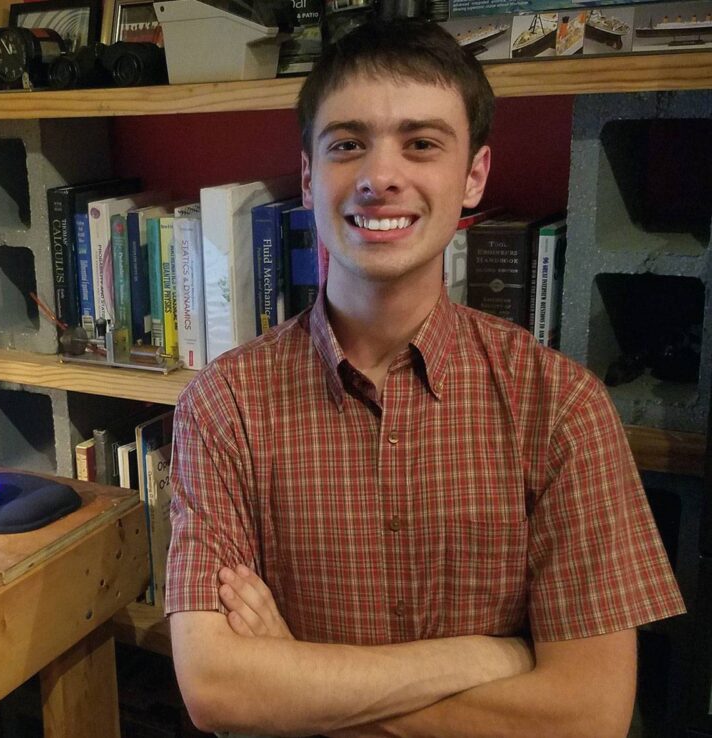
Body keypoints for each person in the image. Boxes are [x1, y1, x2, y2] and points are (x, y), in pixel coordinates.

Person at [163, 17, 685, 738]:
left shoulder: (562, 406)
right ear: (309, 178)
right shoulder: (224, 405)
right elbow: (217, 689)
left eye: (421, 144)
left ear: (474, 176)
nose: (380, 177)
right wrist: (484, 658)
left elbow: (588, 715)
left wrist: (297, 682)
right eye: (348, 144)